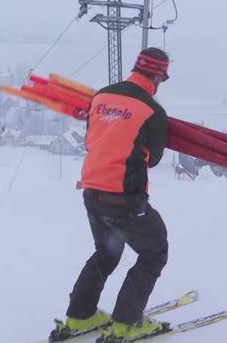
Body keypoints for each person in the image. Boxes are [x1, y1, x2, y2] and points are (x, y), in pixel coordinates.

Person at [49, 48, 171, 343]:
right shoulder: (153, 112)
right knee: (154, 252)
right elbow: (153, 159)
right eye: (162, 79)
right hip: (125, 199)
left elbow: (93, 138)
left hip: (92, 192)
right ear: (156, 75)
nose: (160, 84)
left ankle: (80, 316)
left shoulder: (100, 97)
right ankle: (125, 324)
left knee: (107, 252)